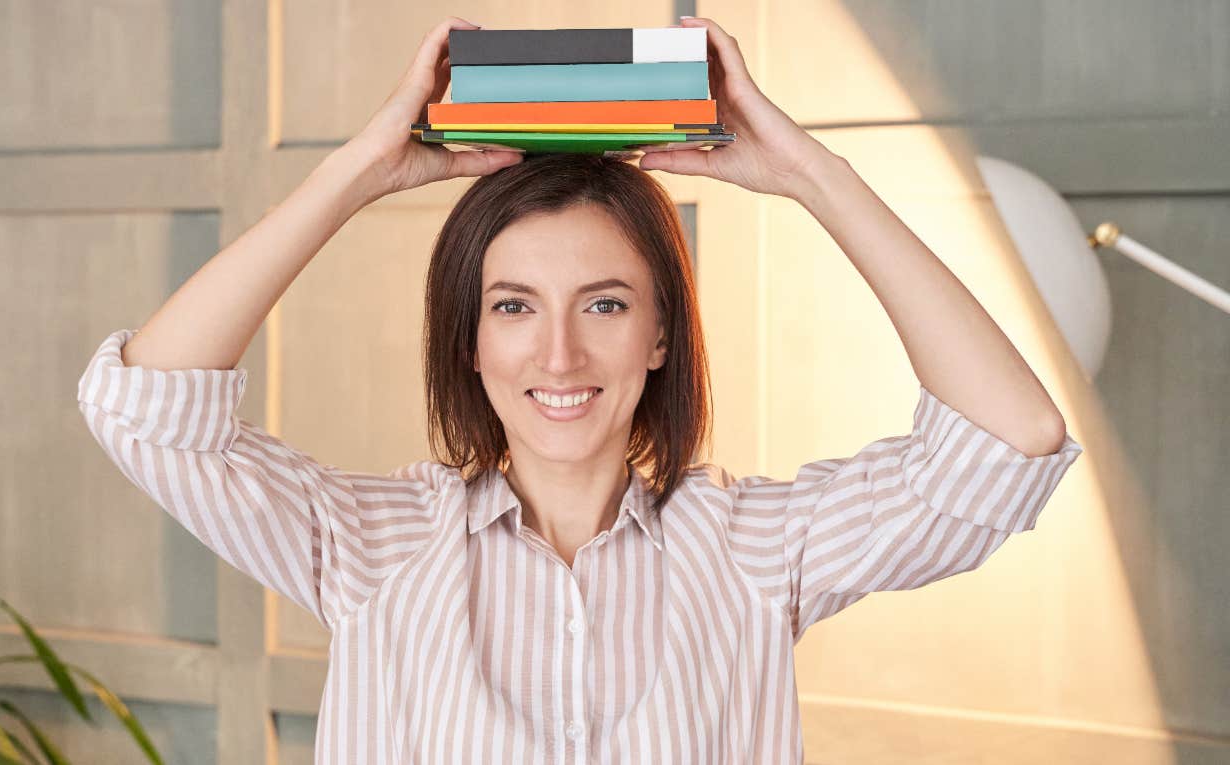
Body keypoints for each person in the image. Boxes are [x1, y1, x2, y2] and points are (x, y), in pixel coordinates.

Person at [76, 15, 1084, 764]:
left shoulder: (754, 551)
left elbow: (1009, 443)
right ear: (468, 341)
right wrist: (359, 172)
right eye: (513, 307)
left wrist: (810, 174)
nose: (556, 356)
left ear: (658, 336)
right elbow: (147, 410)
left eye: (602, 306)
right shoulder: (370, 547)